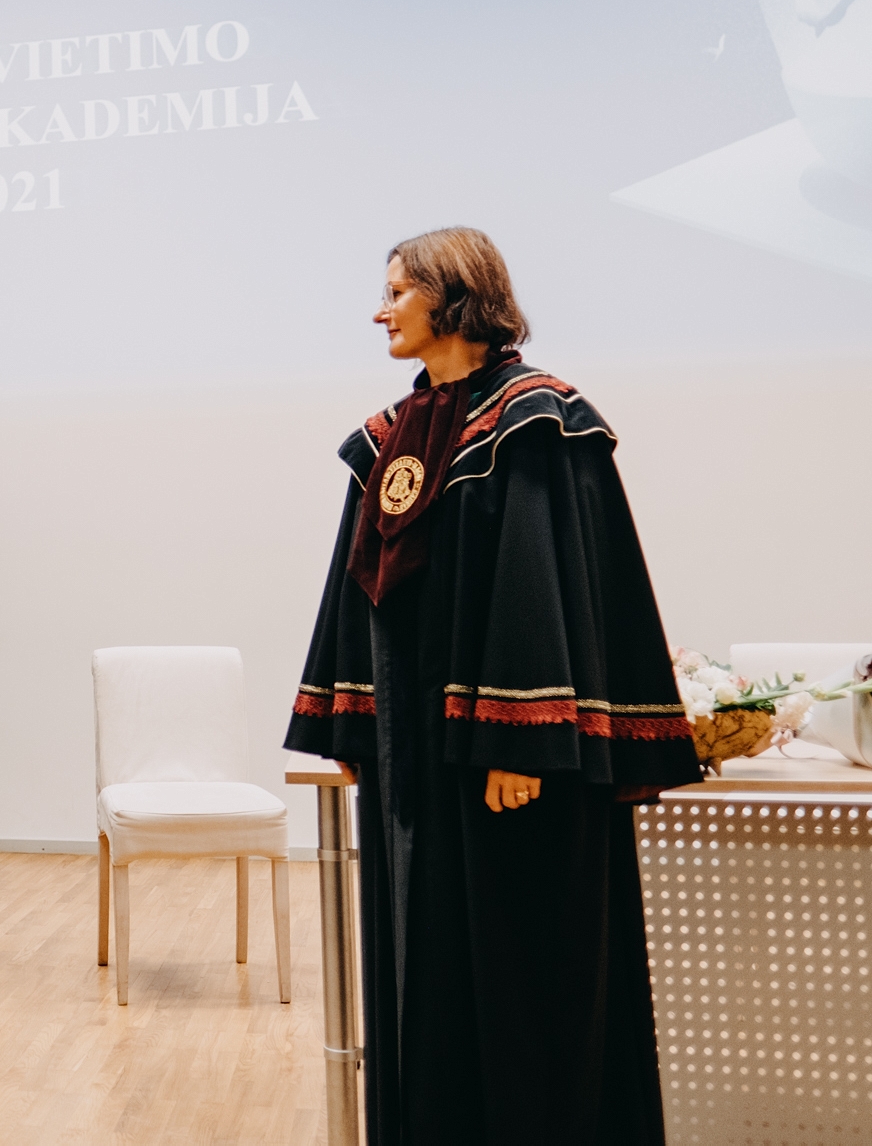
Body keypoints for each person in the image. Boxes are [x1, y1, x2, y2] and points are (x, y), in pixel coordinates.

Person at [282, 228, 699, 1144]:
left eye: (398, 291)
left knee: (526, 988)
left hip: (512, 772)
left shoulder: (536, 418)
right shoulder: (394, 436)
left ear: (453, 295)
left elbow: (540, 585)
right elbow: (359, 586)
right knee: (425, 973)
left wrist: (522, 742)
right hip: (417, 767)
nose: (381, 311)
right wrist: (351, 727)